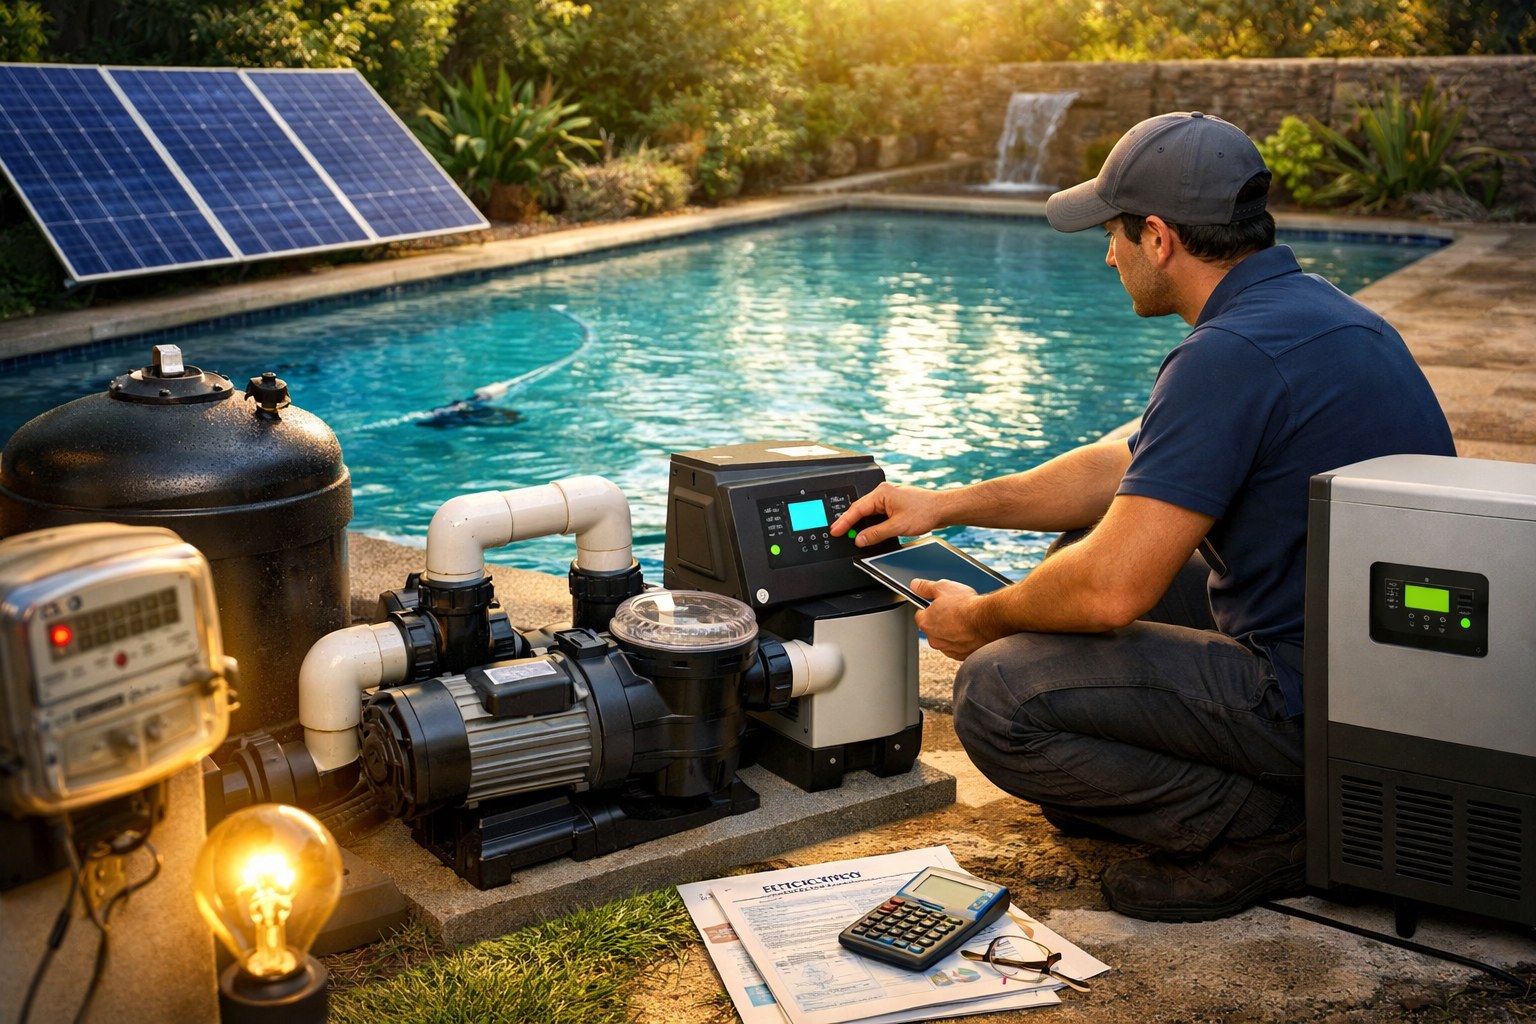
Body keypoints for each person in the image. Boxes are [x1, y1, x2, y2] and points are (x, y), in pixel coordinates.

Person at [829, 111, 1456, 922]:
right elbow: (1121, 467)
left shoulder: (1226, 355)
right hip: (1390, 675)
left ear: (1159, 239)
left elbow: (1107, 594)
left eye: (1116, 232)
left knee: (999, 693)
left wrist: (979, 619)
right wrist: (947, 503)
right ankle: (1251, 796)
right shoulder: (1316, 312)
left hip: (1325, 704)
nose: (1107, 252)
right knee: (1085, 552)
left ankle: (1276, 831)